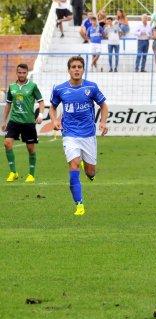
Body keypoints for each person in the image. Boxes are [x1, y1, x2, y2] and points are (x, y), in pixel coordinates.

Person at [49, 56, 109, 216]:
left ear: (83, 69)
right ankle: (79, 204)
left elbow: (103, 105)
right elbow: (52, 107)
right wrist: (54, 120)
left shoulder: (92, 87)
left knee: (91, 173)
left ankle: (87, 167)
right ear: (68, 70)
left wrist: (103, 122)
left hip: (88, 134)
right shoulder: (60, 89)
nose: (76, 69)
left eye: (79, 67)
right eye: (73, 67)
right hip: (70, 134)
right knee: (74, 164)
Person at [1, 64, 44, 183]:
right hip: (14, 121)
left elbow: (41, 102)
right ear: (17, 73)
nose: (21, 75)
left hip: (28, 122)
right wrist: (4, 121)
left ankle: (31, 174)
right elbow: (8, 104)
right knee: (7, 143)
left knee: (30, 149)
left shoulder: (32, 86)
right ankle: (13, 172)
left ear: (27, 73)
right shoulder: (12, 87)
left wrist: (40, 114)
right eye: (19, 73)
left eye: (24, 73)